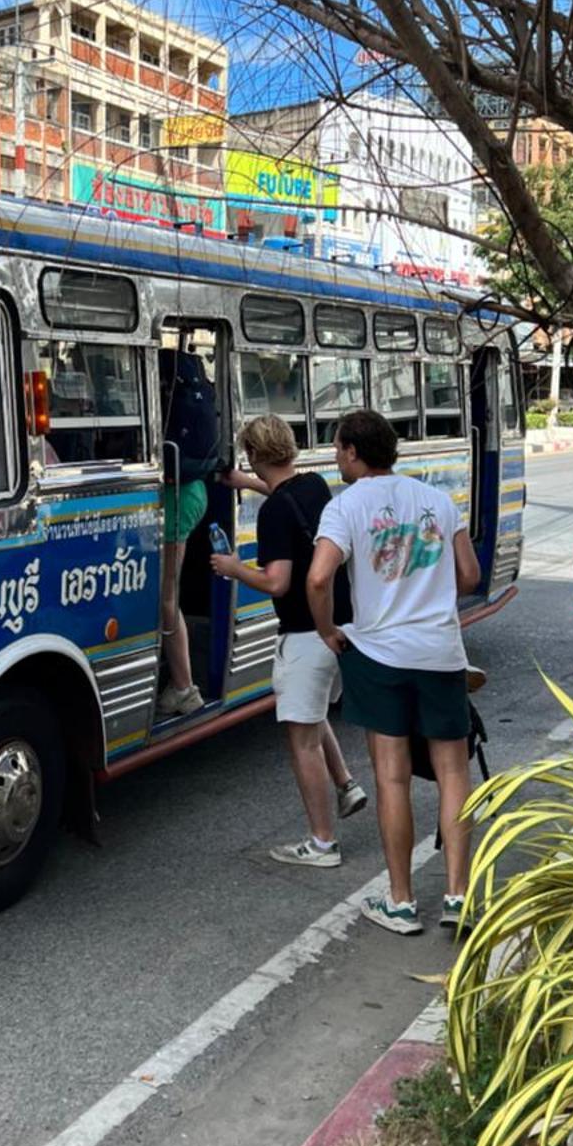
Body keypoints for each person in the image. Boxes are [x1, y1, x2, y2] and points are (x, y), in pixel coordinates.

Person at [307, 408, 480, 934]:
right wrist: (429, 598)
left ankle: (401, 902)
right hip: (441, 653)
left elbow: (318, 579)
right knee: (454, 772)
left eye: (337, 448)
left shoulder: (345, 506)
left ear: (353, 452)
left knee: (392, 777)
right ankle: (458, 896)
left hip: (380, 655)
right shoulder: (436, 500)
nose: (336, 457)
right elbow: (470, 575)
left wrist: (327, 630)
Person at [213, 414, 367, 866]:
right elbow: (284, 496)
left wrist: (233, 567)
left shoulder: (273, 514)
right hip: (343, 625)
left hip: (304, 633)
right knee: (312, 713)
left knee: (301, 739)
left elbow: (277, 582)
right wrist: (245, 480)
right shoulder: (314, 486)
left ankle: (322, 843)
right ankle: (346, 784)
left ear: (256, 454)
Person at [157, 348, 218, 716]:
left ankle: (184, 688)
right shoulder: (191, 391)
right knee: (168, 596)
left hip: (177, 494)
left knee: (167, 598)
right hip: (190, 489)